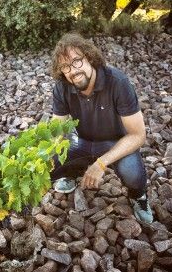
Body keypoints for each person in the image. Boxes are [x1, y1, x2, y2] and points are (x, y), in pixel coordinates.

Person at [49, 32, 153, 223]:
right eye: (65, 66)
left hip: (115, 143)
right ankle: (71, 173)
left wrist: (101, 163)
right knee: (50, 160)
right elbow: (58, 130)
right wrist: (47, 155)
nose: (73, 70)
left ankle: (138, 196)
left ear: (89, 58)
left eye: (76, 61)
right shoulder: (62, 87)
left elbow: (138, 135)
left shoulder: (118, 82)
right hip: (81, 141)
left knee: (133, 175)